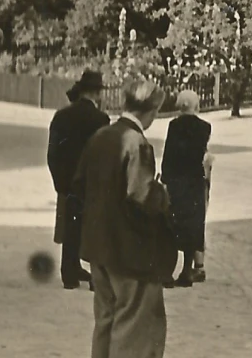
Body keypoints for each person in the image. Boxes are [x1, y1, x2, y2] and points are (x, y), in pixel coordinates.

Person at [73, 77, 175, 358]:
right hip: (130, 252)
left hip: (98, 247)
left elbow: (79, 183)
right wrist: (162, 193)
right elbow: (142, 194)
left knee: (105, 321)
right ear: (152, 110)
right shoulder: (136, 143)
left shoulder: (100, 136)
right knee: (135, 329)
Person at [47, 69, 110, 289]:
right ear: (97, 93)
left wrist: (59, 182)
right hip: (90, 182)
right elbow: (103, 155)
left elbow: (53, 153)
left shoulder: (61, 116)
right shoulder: (100, 119)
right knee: (91, 226)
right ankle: (88, 272)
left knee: (70, 225)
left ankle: (70, 271)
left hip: (67, 180)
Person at [161, 89, 212, 288]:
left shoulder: (174, 126)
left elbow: (168, 153)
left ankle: (167, 271)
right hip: (195, 181)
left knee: (172, 223)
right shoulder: (205, 127)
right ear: (196, 105)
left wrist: (165, 179)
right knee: (193, 224)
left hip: (176, 180)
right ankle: (187, 271)